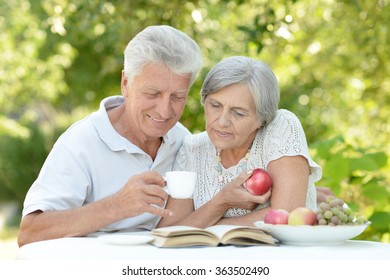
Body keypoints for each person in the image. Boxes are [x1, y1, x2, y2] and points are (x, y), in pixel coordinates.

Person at [17, 25, 203, 247]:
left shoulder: (183, 140)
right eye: (152, 93)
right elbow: (30, 231)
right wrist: (118, 205)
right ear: (126, 84)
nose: (164, 111)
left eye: (177, 97)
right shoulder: (81, 142)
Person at [158, 56, 322, 228]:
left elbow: (286, 216)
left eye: (239, 113)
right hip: (210, 255)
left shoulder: (280, 127)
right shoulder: (193, 149)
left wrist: (205, 223)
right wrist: (221, 202)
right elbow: (171, 232)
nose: (222, 122)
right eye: (215, 105)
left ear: (262, 119)